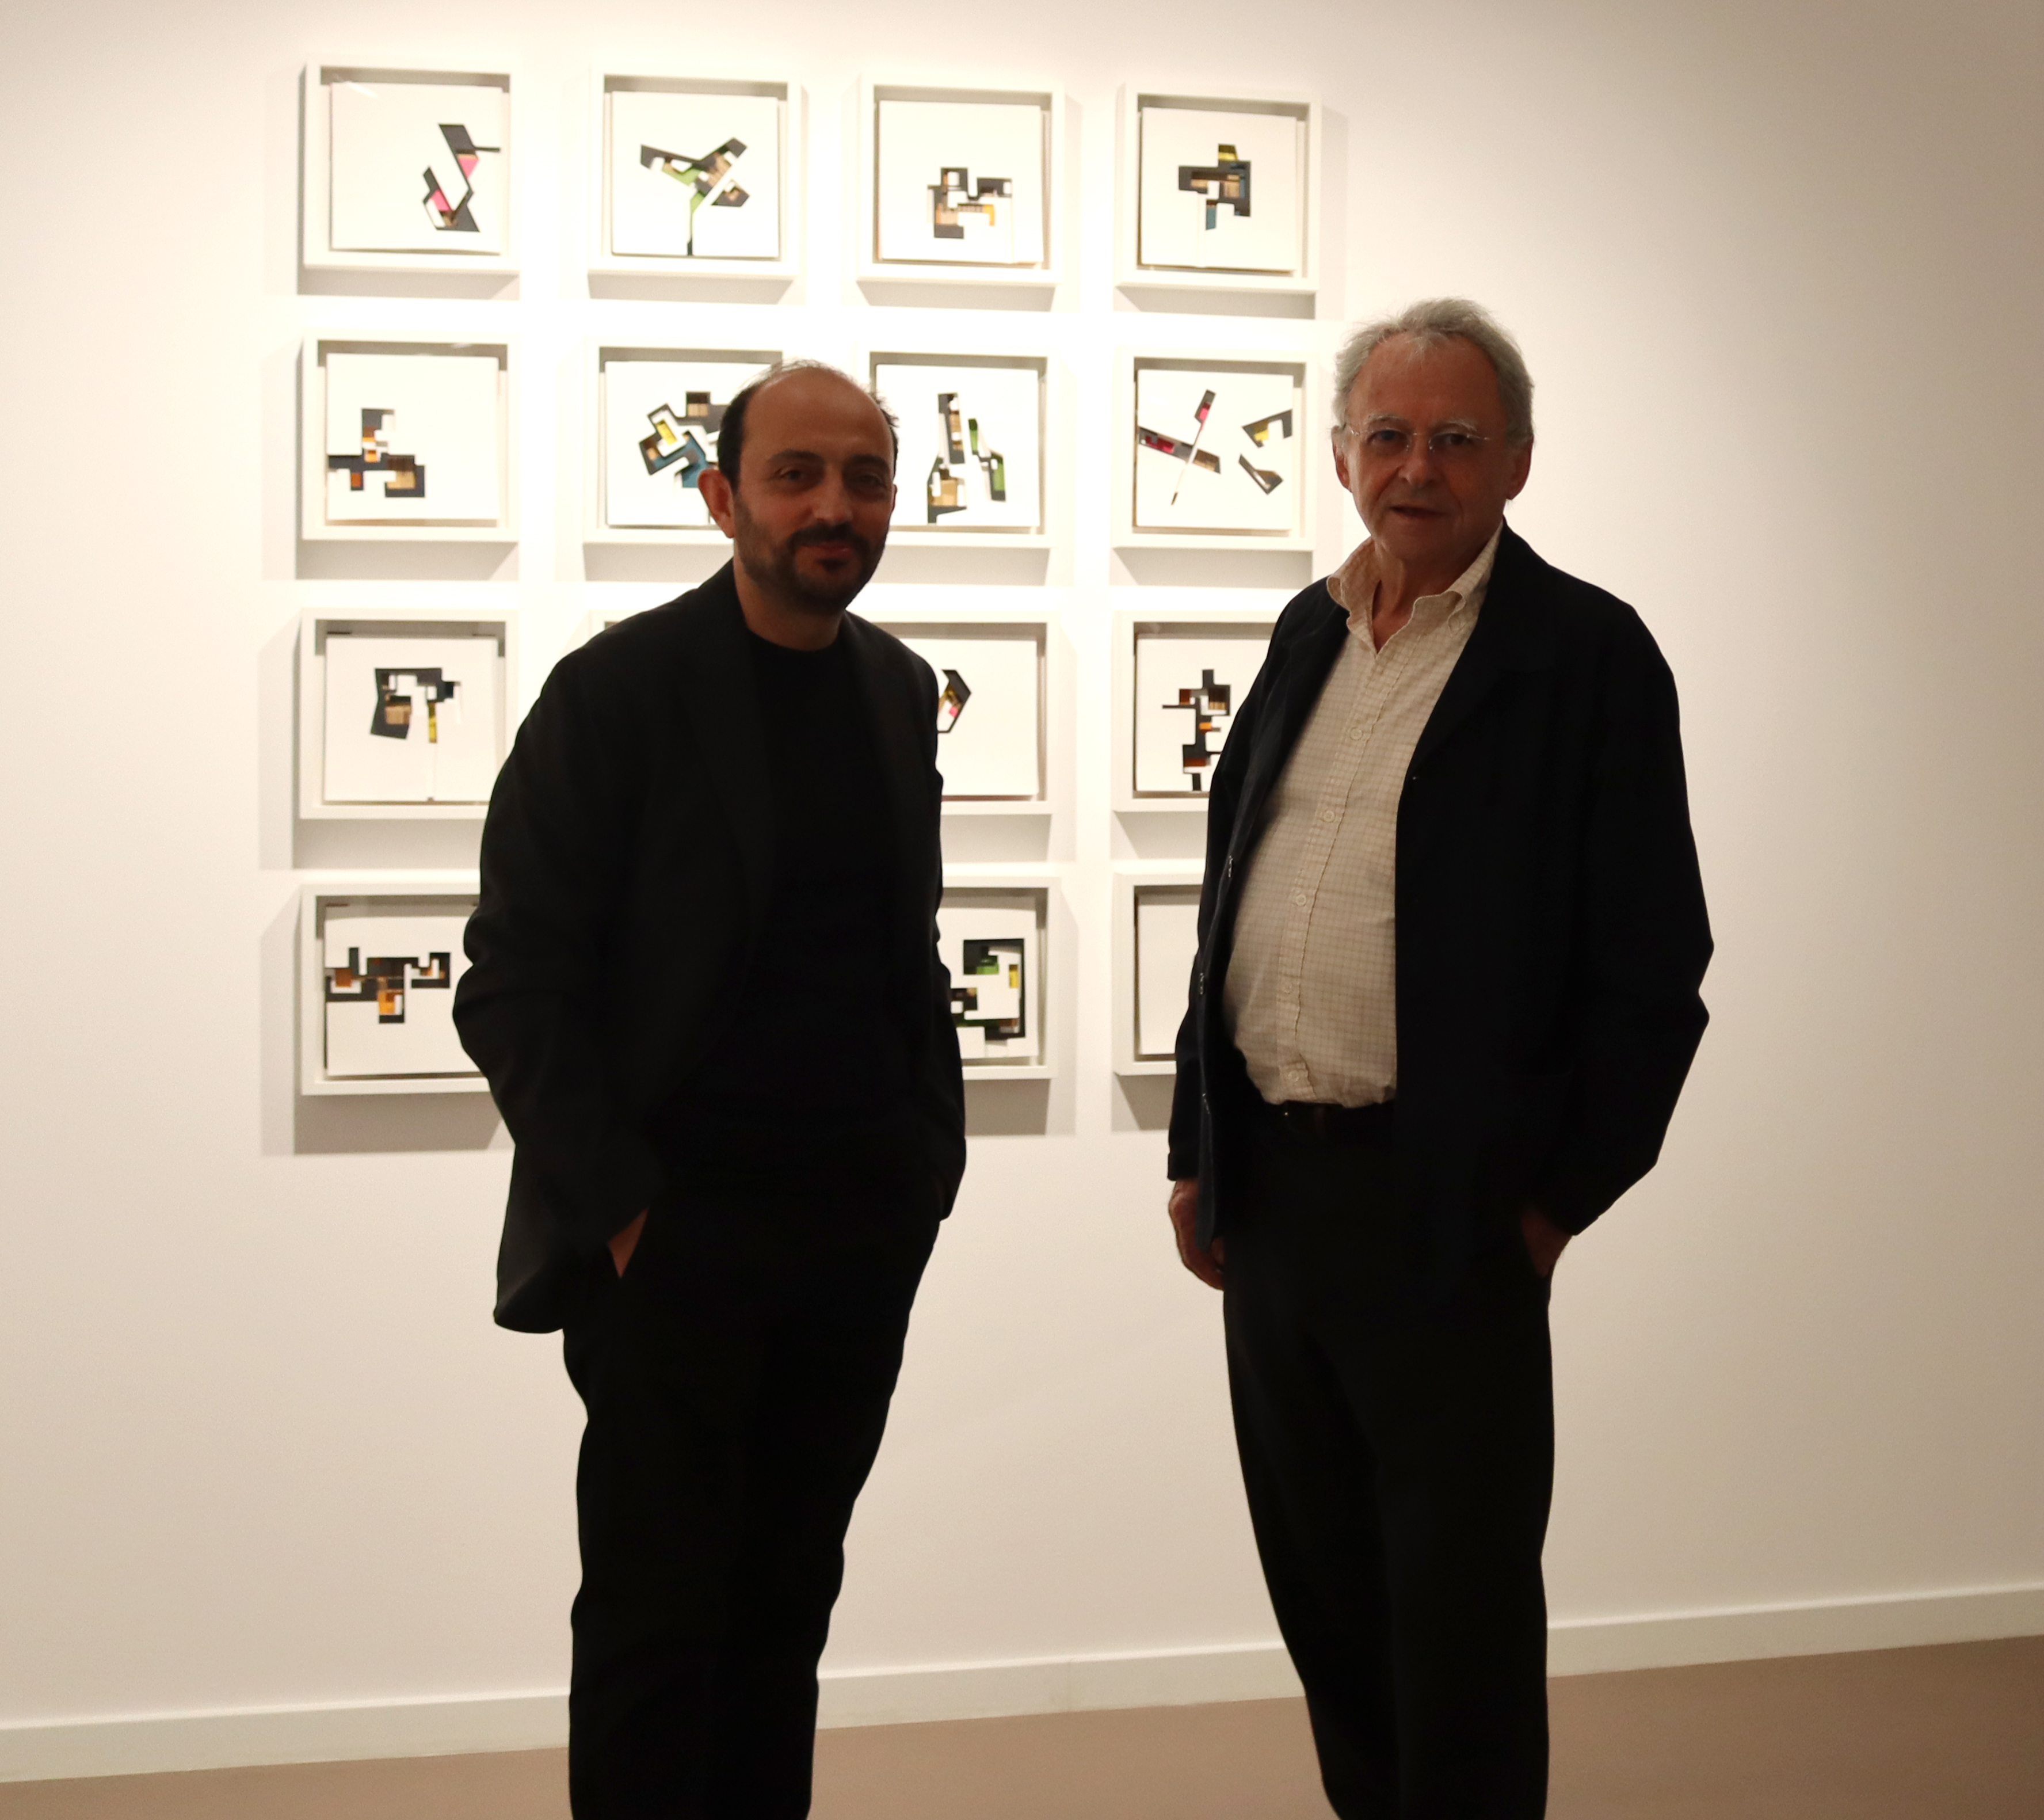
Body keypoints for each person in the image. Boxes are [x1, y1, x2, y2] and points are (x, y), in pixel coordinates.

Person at [1164, 299, 1711, 1818]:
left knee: (1457, 1616)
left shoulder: (1584, 656)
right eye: (1390, 436)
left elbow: (1653, 969)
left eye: (1457, 439)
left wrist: (1550, 1203)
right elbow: (1231, 896)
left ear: (1518, 461)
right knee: (1329, 1599)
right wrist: (1201, 1148)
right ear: (1342, 454)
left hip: (1453, 1210)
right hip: (1278, 1201)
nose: (1419, 468)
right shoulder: (1308, 632)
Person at [454, 361, 966, 1819]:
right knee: (656, 1620)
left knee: (786, 1606)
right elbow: (512, 981)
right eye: (797, 475)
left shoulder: (893, 690)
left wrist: (927, 1162)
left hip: (855, 1227)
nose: (834, 507)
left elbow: (902, 949)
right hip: (675, 1235)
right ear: (723, 497)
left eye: (863, 478)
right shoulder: (619, 692)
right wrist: (625, 1213)